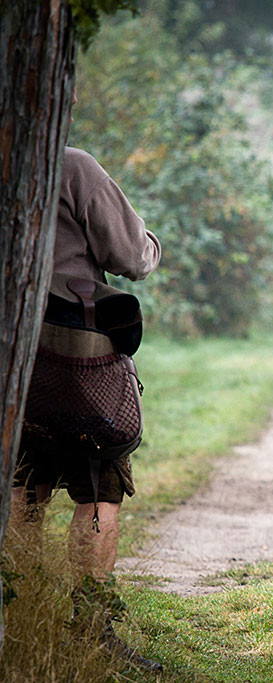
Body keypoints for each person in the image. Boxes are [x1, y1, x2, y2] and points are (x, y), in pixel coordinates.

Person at [11, 90, 162, 672]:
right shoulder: (72, 165)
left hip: (14, 360)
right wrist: (146, 238)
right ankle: (88, 628)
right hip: (77, 360)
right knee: (98, 483)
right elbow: (135, 258)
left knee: (23, 483)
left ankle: (19, 615)